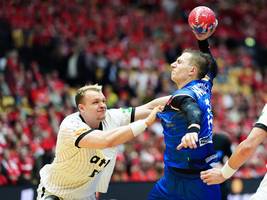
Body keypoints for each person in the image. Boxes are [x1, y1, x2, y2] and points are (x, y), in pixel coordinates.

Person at [36, 84, 169, 200]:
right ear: (81, 108)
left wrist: (184, 95)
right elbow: (105, 140)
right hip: (56, 192)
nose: (102, 105)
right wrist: (145, 123)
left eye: (103, 101)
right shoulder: (70, 126)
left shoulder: (112, 117)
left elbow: (150, 106)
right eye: (95, 102)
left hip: (85, 196)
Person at [148, 27, 221, 199]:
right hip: (174, 177)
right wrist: (202, 41)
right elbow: (212, 69)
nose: (173, 64)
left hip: (197, 182)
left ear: (192, 71)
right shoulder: (204, 84)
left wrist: (193, 129)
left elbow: (192, 109)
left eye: (179, 62)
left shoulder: (184, 95)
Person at [201, 104, 267, 200]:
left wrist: (223, 172)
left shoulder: (222, 139)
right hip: (202, 181)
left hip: (218, 182)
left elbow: (246, 147)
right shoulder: (196, 141)